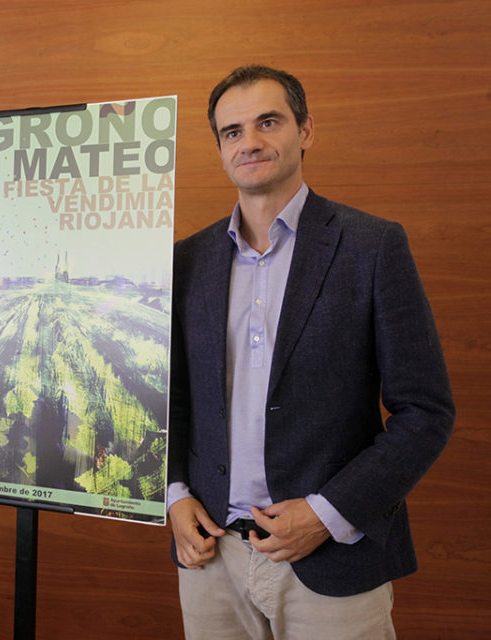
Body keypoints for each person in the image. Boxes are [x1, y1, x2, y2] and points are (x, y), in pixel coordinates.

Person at [166, 65, 454, 638]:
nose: (249, 141)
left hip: (333, 560)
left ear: (306, 131)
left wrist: (326, 514)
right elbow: (167, 398)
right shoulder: (185, 261)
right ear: (220, 149)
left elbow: (426, 412)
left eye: (267, 122)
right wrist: (173, 496)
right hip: (212, 558)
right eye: (232, 131)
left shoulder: (372, 247)